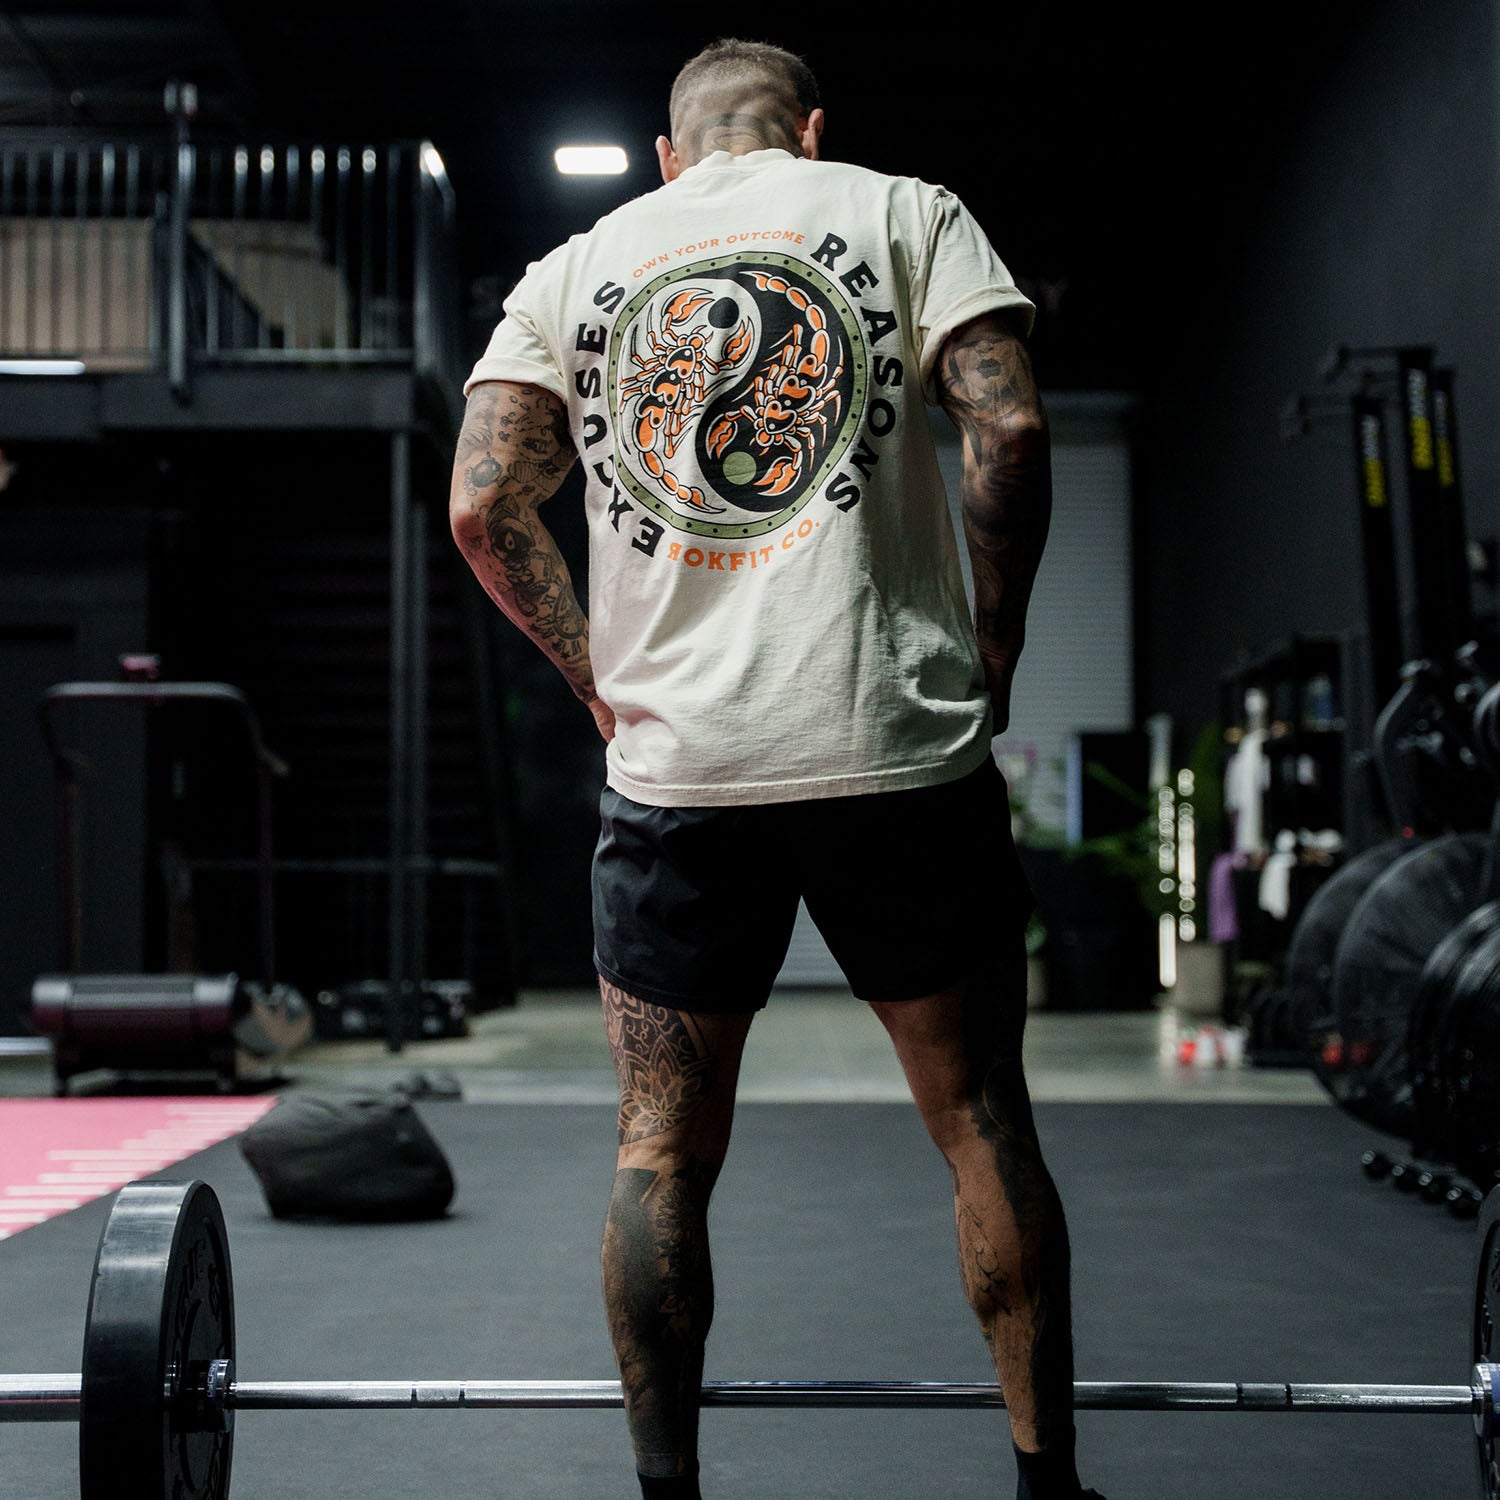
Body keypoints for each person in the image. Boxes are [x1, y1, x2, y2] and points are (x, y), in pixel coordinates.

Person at [450, 37, 1103, 1500]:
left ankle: (668, 1492)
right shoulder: (902, 212)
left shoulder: (580, 270)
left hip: (682, 776)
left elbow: (486, 505)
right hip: (897, 753)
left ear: (667, 155)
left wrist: (598, 687)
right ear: (809, 131)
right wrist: (993, 644)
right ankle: (1047, 1481)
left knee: (659, 1152)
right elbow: (1004, 423)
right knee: (981, 1120)